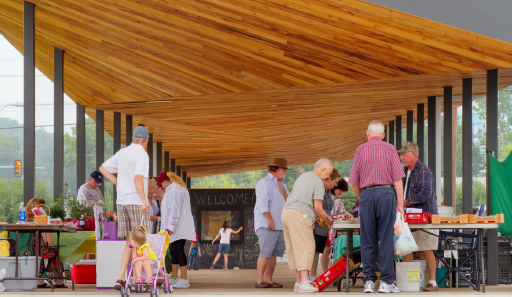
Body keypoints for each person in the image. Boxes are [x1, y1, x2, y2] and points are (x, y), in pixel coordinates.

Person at [349, 120, 405, 294]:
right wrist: (400, 204)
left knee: (367, 239)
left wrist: (362, 197)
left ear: (367, 133)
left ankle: (369, 281)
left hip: (367, 194)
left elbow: (353, 181)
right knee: (386, 238)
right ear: (383, 135)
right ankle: (386, 282)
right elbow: (397, 180)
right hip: (386, 194)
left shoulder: (360, 149)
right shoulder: (389, 148)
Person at [99, 126, 153, 291]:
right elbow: (138, 178)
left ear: (133, 138)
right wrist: (144, 200)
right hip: (136, 201)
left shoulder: (123, 152)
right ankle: (141, 280)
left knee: (130, 242)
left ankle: (120, 278)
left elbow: (102, 168)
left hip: (121, 202)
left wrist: (117, 182)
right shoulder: (142, 154)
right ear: (146, 140)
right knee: (144, 241)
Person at [281, 158, 333, 293]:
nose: (329, 177)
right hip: (299, 214)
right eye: (329, 173)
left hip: (286, 213)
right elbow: (318, 208)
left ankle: (299, 282)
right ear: (323, 170)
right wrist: (329, 221)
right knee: (307, 246)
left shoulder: (303, 176)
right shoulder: (318, 182)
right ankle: (304, 282)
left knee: (297, 248)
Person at [398, 141, 439, 292]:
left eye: (404, 154)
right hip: (409, 217)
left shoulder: (423, 170)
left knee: (427, 248)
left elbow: (426, 193)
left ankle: (433, 282)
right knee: (407, 248)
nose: (402, 157)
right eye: (401, 155)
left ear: (414, 154)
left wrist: (405, 202)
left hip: (425, 216)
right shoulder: (404, 172)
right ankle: (408, 282)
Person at [254, 158, 289, 289]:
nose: (285, 173)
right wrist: (269, 218)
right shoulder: (264, 183)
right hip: (266, 224)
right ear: (277, 169)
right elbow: (262, 204)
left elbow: (288, 202)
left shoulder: (283, 186)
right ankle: (259, 280)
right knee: (265, 252)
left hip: (279, 225)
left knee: (274, 253)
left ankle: (269, 280)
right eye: (284, 170)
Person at [157, 171, 195, 289]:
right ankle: (174, 276)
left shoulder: (174, 189)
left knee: (178, 250)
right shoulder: (175, 188)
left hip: (176, 226)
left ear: (164, 182)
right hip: (175, 225)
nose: (161, 187)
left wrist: (171, 227)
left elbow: (175, 209)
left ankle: (184, 279)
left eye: (161, 184)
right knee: (173, 249)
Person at [24, 198, 67, 288]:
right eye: (43, 208)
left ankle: (40, 280)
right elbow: (49, 241)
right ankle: (59, 280)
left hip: (23, 251)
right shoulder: (40, 222)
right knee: (53, 251)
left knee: (39, 250)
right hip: (37, 252)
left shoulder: (24, 221)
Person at [310, 168, 341, 281]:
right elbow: (316, 208)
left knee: (318, 252)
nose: (335, 185)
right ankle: (311, 277)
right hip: (317, 226)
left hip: (324, 227)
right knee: (314, 253)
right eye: (335, 182)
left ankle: (312, 276)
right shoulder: (319, 189)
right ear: (330, 178)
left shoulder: (328, 191)